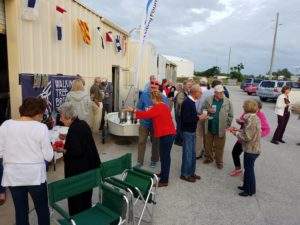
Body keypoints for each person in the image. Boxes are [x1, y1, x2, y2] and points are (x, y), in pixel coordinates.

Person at [0, 97, 53, 225]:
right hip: (35, 177)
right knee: (42, 210)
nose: (42, 117)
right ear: (38, 113)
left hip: (13, 176)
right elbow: (49, 156)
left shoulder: (6, 125)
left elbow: (0, 152)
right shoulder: (41, 127)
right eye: (42, 114)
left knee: (21, 211)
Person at [54, 102, 101, 215]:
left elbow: (76, 152)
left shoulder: (74, 130)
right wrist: (67, 136)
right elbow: (82, 138)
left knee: (76, 199)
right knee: (86, 198)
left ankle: (76, 219)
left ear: (69, 117)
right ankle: (86, 216)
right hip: (90, 169)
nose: (60, 119)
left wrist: (61, 150)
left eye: (61, 116)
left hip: (78, 172)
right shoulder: (82, 124)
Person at [127, 91, 176, 187]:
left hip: (167, 135)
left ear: (155, 99)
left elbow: (146, 115)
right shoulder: (163, 106)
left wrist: (134, 110)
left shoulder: (159, 107)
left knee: (165, 157)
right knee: (164, 156)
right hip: (167, 134)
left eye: (152, 99)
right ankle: (163, 173)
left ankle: (164, 180)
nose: (151, 101)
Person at [229, 100, 261, 197]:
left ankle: (249, 190)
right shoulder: (252, 117)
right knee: (248, 169)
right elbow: (247, 131)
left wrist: (235, 133)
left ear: (247, 108)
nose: (243, 107)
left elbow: (247, 137)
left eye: (244, 106)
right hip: (251, 148)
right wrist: (238, 130)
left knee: (249, 170)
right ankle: (246, 186)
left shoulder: (251, 119)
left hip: (252, 149)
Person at [229, 99, 270, 176]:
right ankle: (238, 169)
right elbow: (242, 120)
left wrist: (257, 135)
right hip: (242, 137)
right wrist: (240, 121)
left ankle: (247, 176)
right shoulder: (248, 112)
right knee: (235, 153)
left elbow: (267, 129)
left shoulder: (260, 115)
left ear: (257, 107)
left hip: (250, 142)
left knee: (248, 161)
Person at [136, 80, 169, 167]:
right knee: (141, 141)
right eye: (152, 84)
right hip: (145, 123)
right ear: (149, 85)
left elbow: (166, 111)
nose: (153, 86)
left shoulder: (163, 97)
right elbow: (139, 108)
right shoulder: (143, 95)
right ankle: (140, 161)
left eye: (156, 85)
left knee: (156, 143)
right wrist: (144, 112)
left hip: (156, 124)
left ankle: (154, 160)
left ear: (159, 87)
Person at [180, 84, 208, 182]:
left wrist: (198, 115)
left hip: (191, 131)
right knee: (188, 153)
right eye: (200, 92)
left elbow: (190, 115)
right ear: (195, 92)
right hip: (187, 131)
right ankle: (185, 174)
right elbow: (186, 119)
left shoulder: (191, 102)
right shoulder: (188, 102)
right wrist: (199, 117)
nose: (201, 94)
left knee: (192, 153)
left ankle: (191, 172)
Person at [202, 85, 233, 169]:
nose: (221, 94)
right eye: (219, 92)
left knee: (219, 146)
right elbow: (202, 110)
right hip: (209, 126)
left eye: (222, 92)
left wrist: (227, 125)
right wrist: (208, 110)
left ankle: (219, 161)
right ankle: (209, 158)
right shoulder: (208, 99)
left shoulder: (227, 101)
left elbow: (230, 115)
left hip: (221, 128)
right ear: (215, 92)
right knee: (207, 144)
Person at [195, 77, 210, 159]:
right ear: (206, 83)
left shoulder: (196, 90)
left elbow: (195, 104)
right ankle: (206, 151)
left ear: (200, 83)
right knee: (206, 134)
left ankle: (198, 153)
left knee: (198, 134)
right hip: (208, 114)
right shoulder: (209, 92)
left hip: (199, 114)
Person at [174, 80, 192, 146]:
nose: (190, 86)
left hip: (182, 113)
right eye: (188, 84)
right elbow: (180, 103)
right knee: (179, 127)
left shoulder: (187, 93)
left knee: (180, 127)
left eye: (190, 85)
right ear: (184, 85)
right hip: (180, 114)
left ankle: (179, 140)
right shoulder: (181, 93)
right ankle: (178, 141)